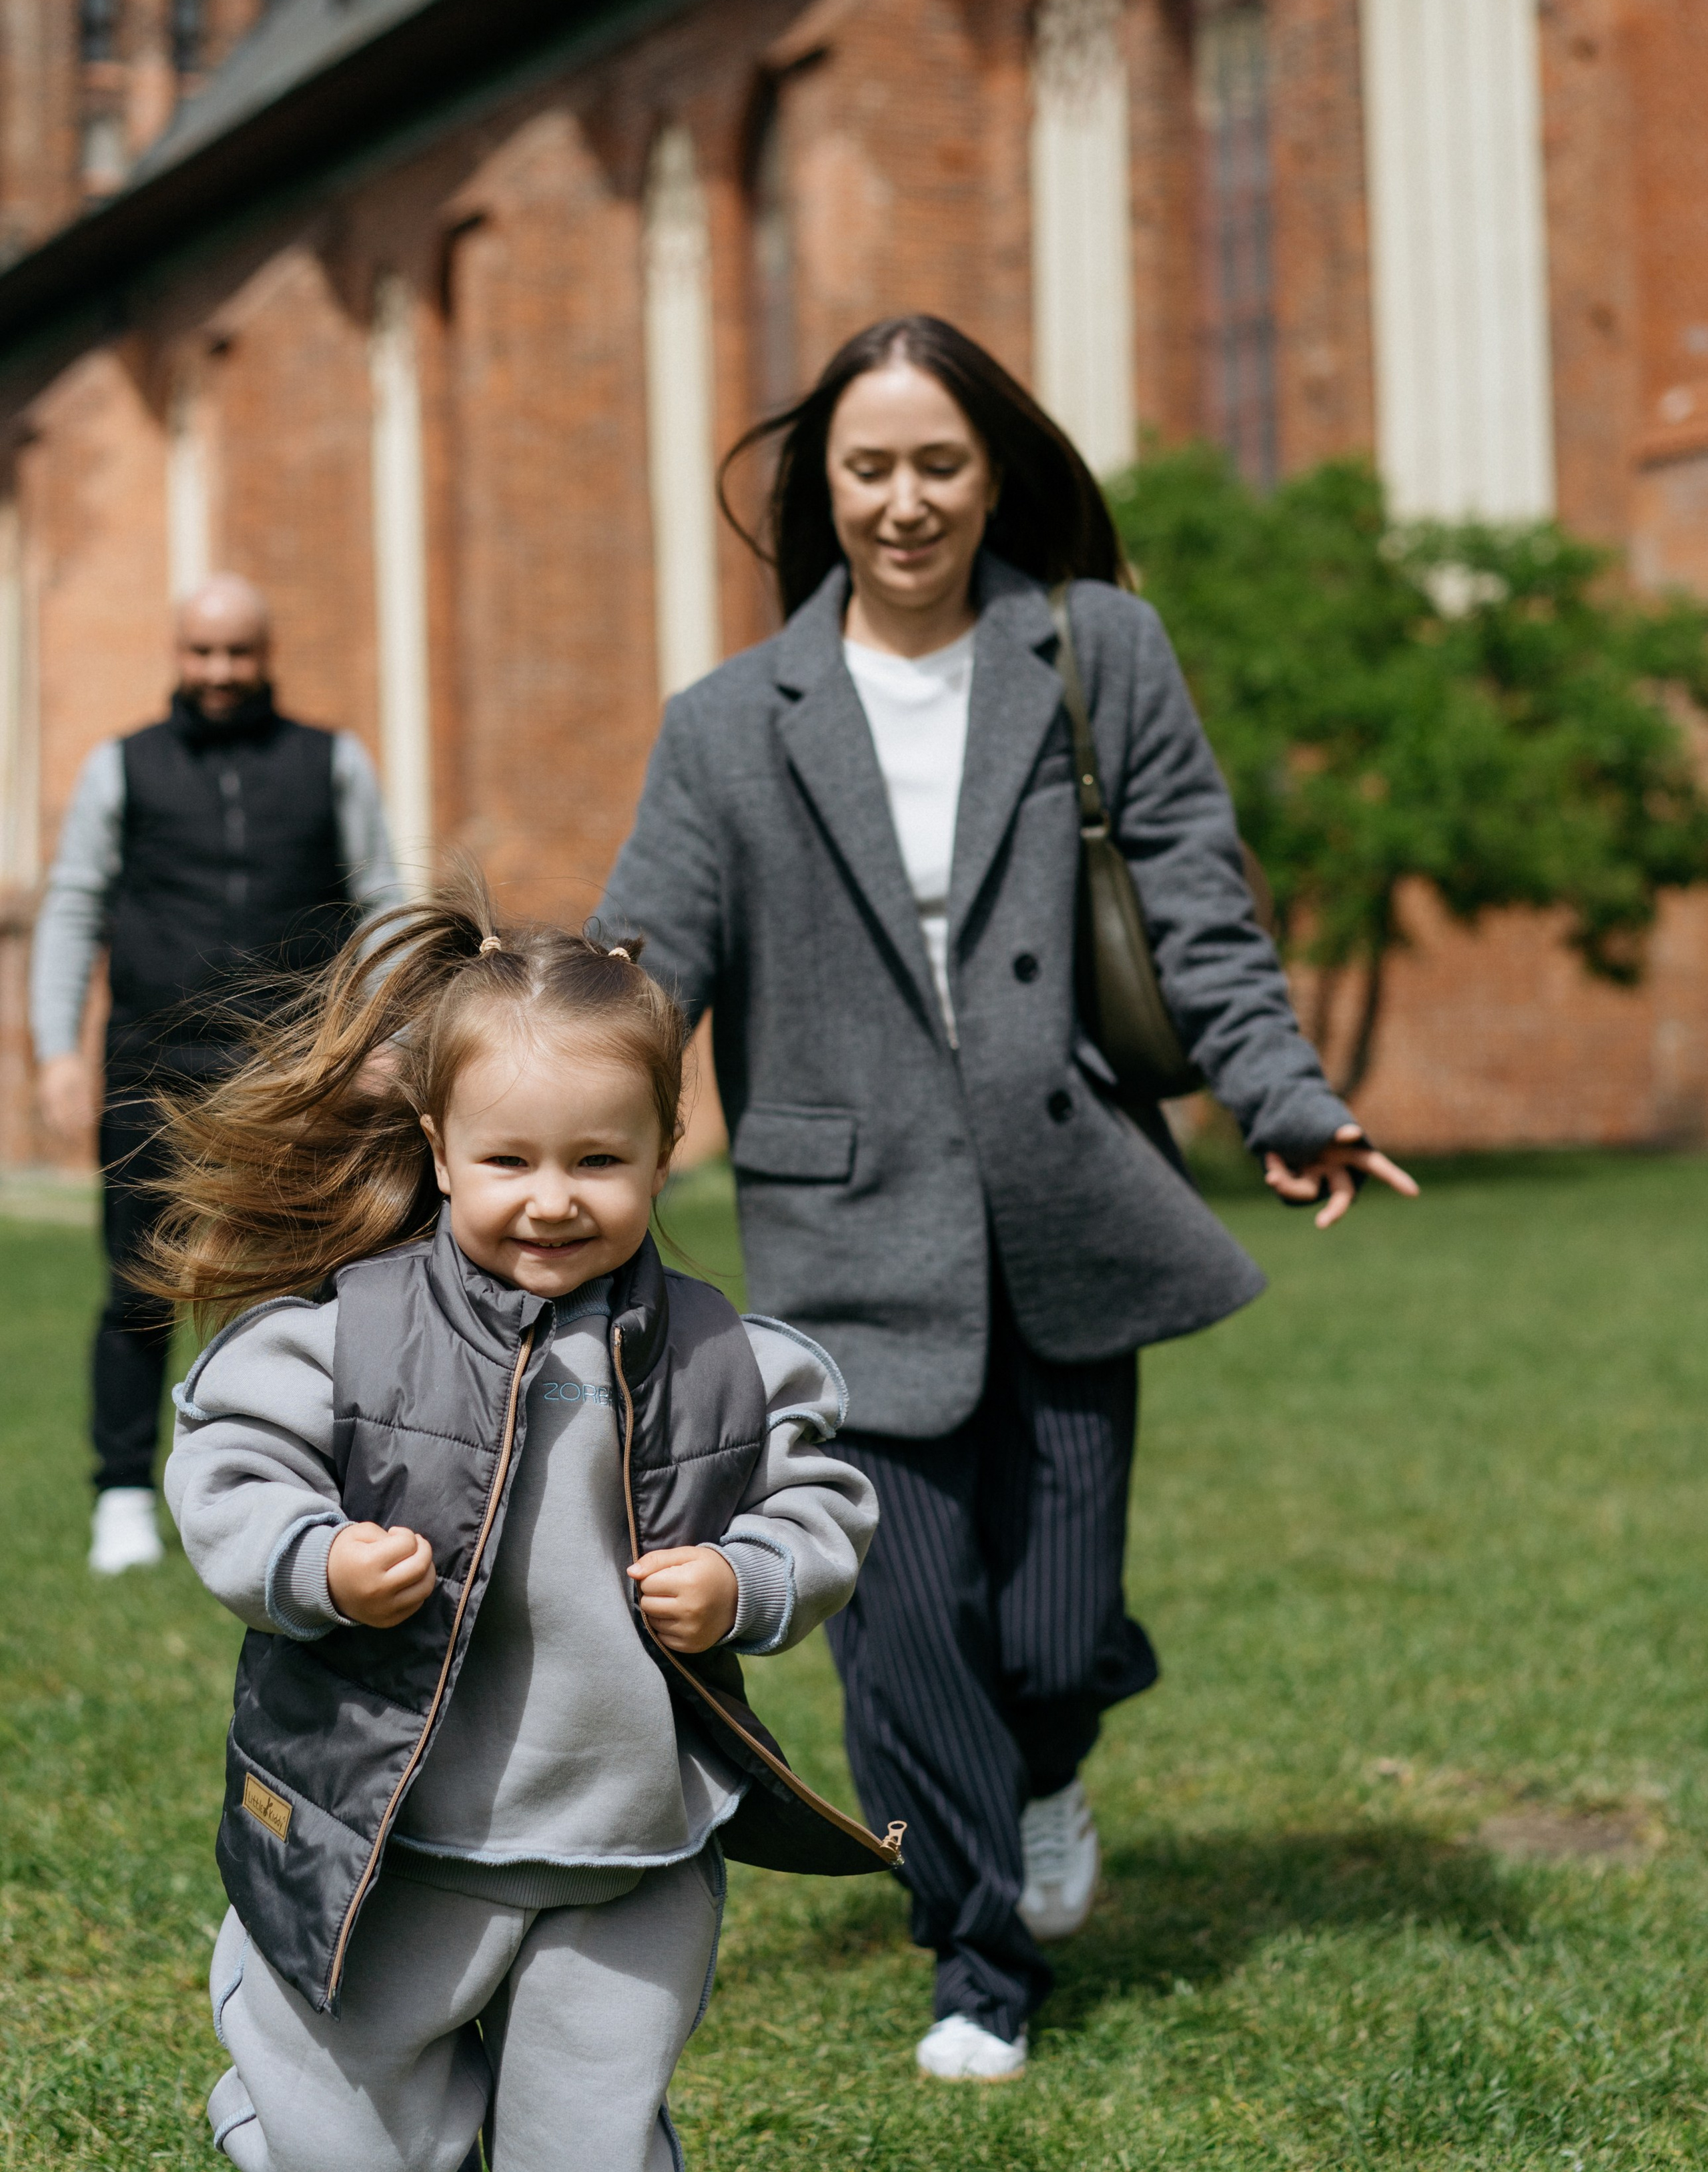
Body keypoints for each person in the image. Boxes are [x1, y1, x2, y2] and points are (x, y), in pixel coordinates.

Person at [603, 314, 1417, 2082]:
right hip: (842, 1236)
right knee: (903, 1643)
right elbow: (647, 963)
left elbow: (1196, 900)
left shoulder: (1094, 651)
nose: (906, 502)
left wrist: (1287, 1097)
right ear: (824, 488)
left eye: (941, 465)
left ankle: (1049, 1772)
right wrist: (564, 1142)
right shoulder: (731, 726)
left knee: (1049, 1634)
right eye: (870, 468)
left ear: (996, 474)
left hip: (1069, 1211)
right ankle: (978, 1961)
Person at [155, 874, 881, 2172]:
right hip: (395, 1838)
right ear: (440, 1151)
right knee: (351, 2134)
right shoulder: (347, 1338)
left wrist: (745, 1577)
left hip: (626, 1845)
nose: (552, 1199)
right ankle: (282, 2127)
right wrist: (314, 1560)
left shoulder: (726, 1356)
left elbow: (821, 1499)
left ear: (666, 1147)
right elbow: (228, 1465)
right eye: (509, 1161)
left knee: (591, 2144)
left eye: (598, 1161)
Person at [29, 573, 403, 1576]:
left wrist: (385, 1036)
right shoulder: (124, 767)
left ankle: (319, 1479)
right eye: (203, 653)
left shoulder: (332, 763)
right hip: (154, 1067)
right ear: (177, 656)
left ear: (266, 654)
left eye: (239, 653)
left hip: (301, 1073)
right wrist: (56, 1049)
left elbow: (382, 905)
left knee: (326, 1285)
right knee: (138, 1286)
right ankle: (120, 1495)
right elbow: (71, 907)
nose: (221, 672)